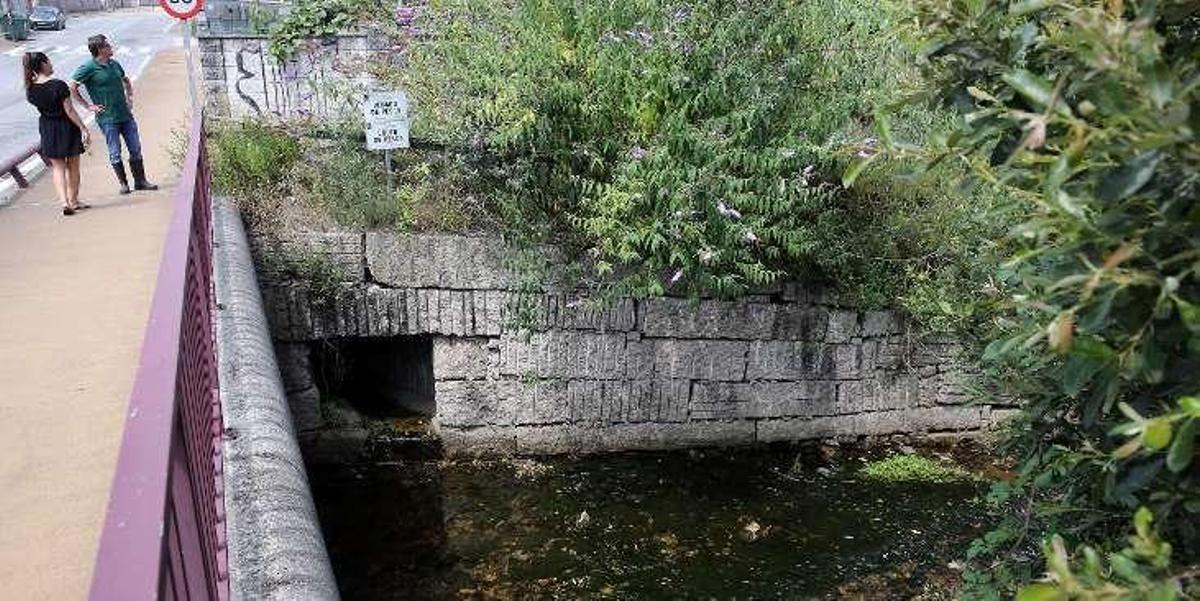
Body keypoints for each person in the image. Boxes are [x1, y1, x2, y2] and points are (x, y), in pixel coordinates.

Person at [69, 34, 158, 195]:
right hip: (107, 117)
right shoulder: (88, 67)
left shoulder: (114, 64)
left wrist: (129, 97)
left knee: (135, 147)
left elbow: (126, 80)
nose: (111, 48)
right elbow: (73, 87)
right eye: (107, 46)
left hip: (125, 114)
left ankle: (140, 181)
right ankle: (124, 184)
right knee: (115, 151)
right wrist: (88, 106)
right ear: (99, 50)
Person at [23, 52, 90, 216]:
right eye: (49, 62)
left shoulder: (31, 89)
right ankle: (74, 201)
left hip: (47, 129)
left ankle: (64, 202)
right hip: (66, 127)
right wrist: (83, 128)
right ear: (43, 64)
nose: (52, 65)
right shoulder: (59, 85)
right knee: (73, 166)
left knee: (58, 168)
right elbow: (69, 110)